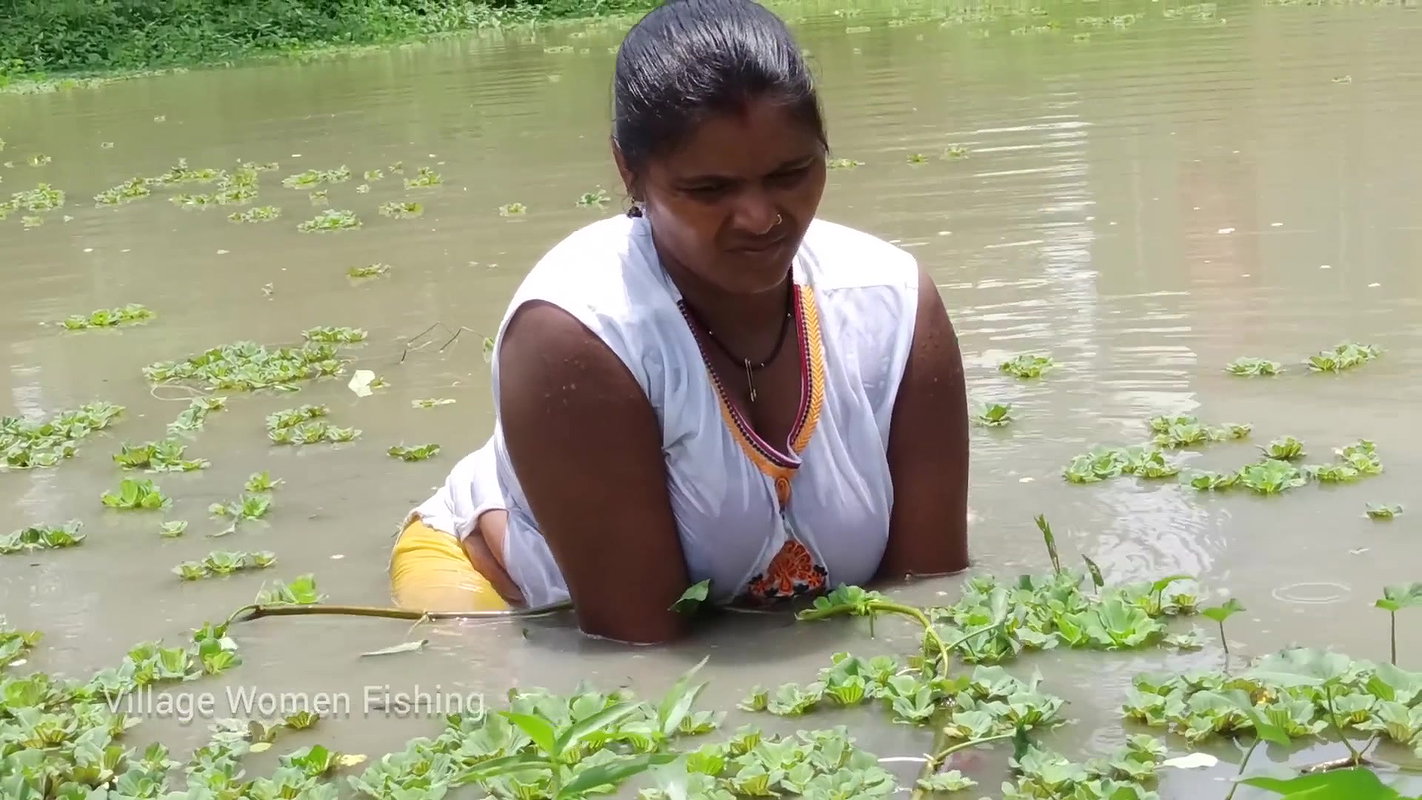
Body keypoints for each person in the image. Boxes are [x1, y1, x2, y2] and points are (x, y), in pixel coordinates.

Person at [387, 0, 970, 644]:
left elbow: (931, 592)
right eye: (710, 190)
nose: (760, 217)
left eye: (791, 174)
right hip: (499, 585)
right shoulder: (579, 334)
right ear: (629, 172)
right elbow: (638, 649)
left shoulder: (894, 303)